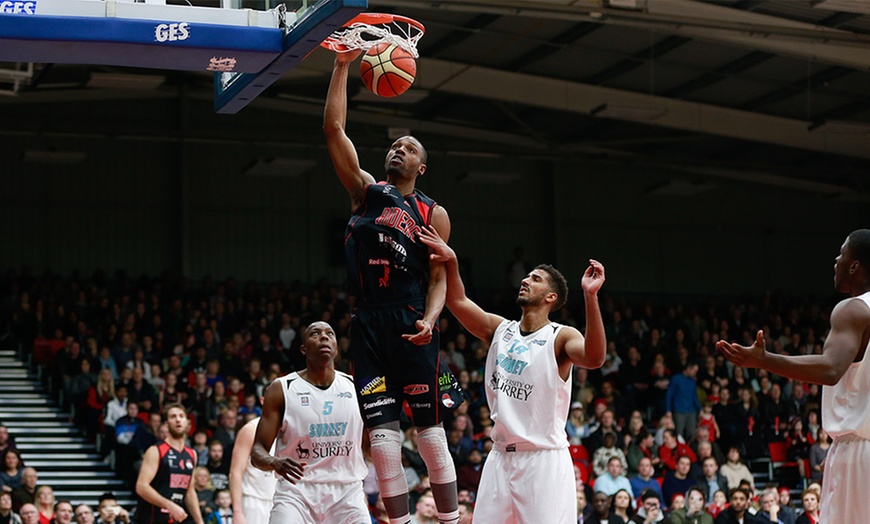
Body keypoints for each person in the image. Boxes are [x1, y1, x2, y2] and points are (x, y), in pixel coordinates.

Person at [325, 48, 460, 524]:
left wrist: (429, 318)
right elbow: (334, 131)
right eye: (395, 145)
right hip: (368, 320)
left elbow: (440, 276)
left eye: (409, 147)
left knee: (428, 434)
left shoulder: (432, 212)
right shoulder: (366, 191)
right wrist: (342, 65)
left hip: (410, 319)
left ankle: (448, 520)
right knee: (382, 436)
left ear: (421, 167)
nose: (398, 149)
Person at [418, 226, 606, 523]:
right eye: (527, 275)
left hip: (543, 459)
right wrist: (452, 262)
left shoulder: (560, 337)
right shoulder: (499, 329)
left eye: (536, 279)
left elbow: (595, 358)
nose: (525, 280)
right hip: (500, 457)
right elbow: (457, 302)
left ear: (551, 297)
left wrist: (590, 297)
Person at [716, 229, 870, 523]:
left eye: (842, 253)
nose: (836, 260)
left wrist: (765, 360)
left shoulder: (854, 310)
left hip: (859, 454)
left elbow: (830, 369)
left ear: (855, 265)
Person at [251, 321, 369, 524]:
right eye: (315, 333)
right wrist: (274, 462)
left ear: (336, 348)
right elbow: (257, 452)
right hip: (296, 493)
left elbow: (369, 446)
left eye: (330, 334)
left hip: (347, 493)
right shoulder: (281, 388)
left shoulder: (356, 387)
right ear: (303, 349)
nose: (324, 337)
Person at [134, 404, 204, 524]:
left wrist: (200, 521)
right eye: (173, 416)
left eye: (181, 416)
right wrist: (169, 505)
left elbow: (190, 491)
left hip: (172, 519)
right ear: (166, 424)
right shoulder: (156, 450)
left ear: (187, 423)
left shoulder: (192, 454)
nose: (177, 419)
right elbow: (141, 487)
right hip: (149, 519)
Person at [229, 415, 276, 524]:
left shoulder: (291, 427)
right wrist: (237, 511)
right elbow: (235, 472)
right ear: (262, 401)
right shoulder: (250, 429)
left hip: (282, 500)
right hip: (254, 501)